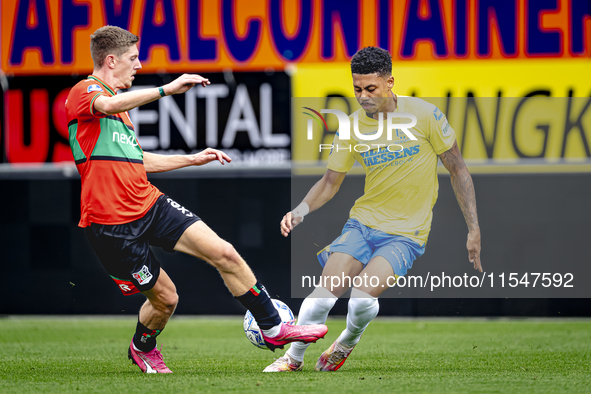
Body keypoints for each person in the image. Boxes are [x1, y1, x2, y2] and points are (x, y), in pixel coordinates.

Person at [65, 25, 327, 374]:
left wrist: (193, 158)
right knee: (166, 299)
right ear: (111, 61)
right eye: (133, 59)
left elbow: (140, 161)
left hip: (148, 203)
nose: (138, 65)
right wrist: (168, 89)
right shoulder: (86, 92)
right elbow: (109, 102)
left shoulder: (118, 116)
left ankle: (273, 326)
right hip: (111, 224)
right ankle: (142, 347)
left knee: (224, 252)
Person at [264, 46, 482, 372]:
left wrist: (473, 228)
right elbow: (329, 182)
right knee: (322, 296)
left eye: (371, 88)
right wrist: (301, 210)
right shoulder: (350, 126)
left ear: (390, 82)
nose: (363, 96)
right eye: (357, 89)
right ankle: (292, 360)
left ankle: (347, 341)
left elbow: (458, 169)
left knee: (361, 300)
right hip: (363, 224)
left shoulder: (425, 116)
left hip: (406, 233)